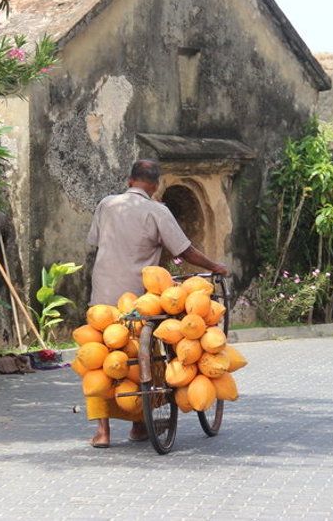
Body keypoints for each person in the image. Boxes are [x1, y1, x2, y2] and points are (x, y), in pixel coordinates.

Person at [85, 159, 227, 448]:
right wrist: (215, 266)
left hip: (103, 295)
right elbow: (185, 250)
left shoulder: (107, 205)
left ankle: (103, 432)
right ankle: (140, 424)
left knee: (100, 360)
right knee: (143, 357)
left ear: (129, 180)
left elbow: (96, 242)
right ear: (155, 185)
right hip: (140, 299)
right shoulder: (157, 211)